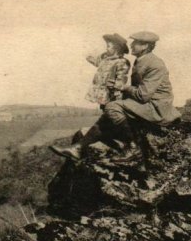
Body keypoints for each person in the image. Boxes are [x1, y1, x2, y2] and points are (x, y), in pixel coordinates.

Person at [52, 31, 181, 168]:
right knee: (110, 113)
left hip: (156, 108)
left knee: (112, 107)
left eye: (135, 43)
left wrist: (123, 87)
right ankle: (77, 148)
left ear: (145, 46)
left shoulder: (155, 64)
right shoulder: (142, 60)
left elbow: (143, 95)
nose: (131, 45)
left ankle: (133, 149)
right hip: (147, 103)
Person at [85, 34, 131, 109]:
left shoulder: (121, 62)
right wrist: (88, 56)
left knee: (111, 110)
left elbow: (121, 78)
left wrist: (117, 92)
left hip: (113, 94)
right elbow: (95, 61)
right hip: (103, 94)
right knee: (105, 110)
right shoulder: (105, 59)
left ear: (117, 49)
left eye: (108, 46)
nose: (106, 49)